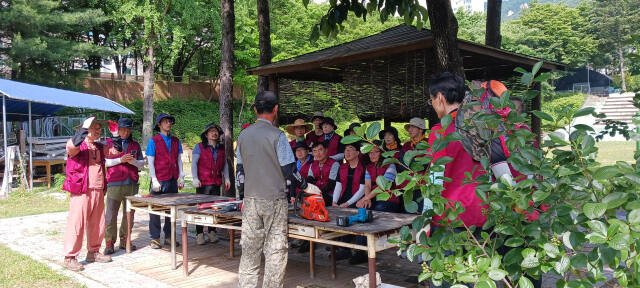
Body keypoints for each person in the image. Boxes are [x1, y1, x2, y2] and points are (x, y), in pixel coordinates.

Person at [236, 90, 321, 288]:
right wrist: (307, 186)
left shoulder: (243, 136)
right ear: (275, 110)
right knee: (275, 251)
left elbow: (240, 171)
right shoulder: (278, 136)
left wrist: (242, 197)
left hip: (250, 201)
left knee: (249, 249)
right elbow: (289, 170)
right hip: (274, 200)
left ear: (256, 110)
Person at [62, 117, 115, 271]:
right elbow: (71, 147)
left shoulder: (99, 147)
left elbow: (115, 151)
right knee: (77, 223)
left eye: (99, 128)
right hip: (81, 189)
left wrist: (116, 134)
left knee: (98, 223)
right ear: (85, 129)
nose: (98, 130)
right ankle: (70, 257)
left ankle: (93, 252)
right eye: (94, 127)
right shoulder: (77, 145)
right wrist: (83, 129)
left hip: (98, 188)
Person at [103, 118, 145, 255]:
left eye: (128, 129)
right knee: (110, 214)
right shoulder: (109, 143)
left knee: (130, 215)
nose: (125, 132)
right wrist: (120, 160)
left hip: (132, 183)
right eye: (122, 129)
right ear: (117, 130)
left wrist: (132, 161)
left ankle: (125, 239)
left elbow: (141, 164)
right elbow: (104, 163)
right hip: (114, 183)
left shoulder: (135, 145)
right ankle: (109, 242)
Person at [145, 113, 185, 249]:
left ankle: (169, 236)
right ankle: (155, 238)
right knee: (155, 210)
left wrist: (181, 176)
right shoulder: (153, 141)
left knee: (171, 210)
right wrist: (154, 179)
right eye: (166, 121)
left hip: (172, 179)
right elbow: (150, 161)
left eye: (170, 121)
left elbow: (179, 159)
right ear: (159, 125)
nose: (168, 123)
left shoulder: (175, 141)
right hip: (159, 180)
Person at [191, 123, 230, 245]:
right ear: (206, 134)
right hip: (202, 183)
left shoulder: (221, 148)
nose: (214, 133)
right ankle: (199, 234)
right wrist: (195, 178)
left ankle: (212, 232)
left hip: (216, 183)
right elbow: (194, 164)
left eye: (216, 131)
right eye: (211, 131)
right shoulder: (199, 147)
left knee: (214, 208)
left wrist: (227, 178)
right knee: (201, 209)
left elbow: (224, 164)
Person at [356, 141, 399, 213]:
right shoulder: (369, 167)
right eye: (370, 152)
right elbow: (367, 185)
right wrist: (367, 199)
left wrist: (364, 198)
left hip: (389, 199)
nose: (372, 155)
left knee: (377, 210)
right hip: (373, 198)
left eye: (376, 152)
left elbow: (383, 186)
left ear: (382, 152)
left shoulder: (390, 165)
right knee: (363, 209)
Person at [306, 142, 340, 206]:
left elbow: (331, 183)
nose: (318, 153)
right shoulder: (313, 164)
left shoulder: (334, 164)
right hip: (317, 192)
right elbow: (309, 179)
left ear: (326, 150)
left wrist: (317, 193)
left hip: (330, 194)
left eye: (320, 150)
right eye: (315, 151)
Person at [332, 142, 365, 208]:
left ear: (357, 153)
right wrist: (334, 202)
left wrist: (347, 204)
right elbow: (338, 185)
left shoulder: (363, 168)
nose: (347, 152)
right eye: (346, 149)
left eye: (350, 149)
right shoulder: (342, 167)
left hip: (357, 200)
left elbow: (362, 190)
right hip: (343, 198)